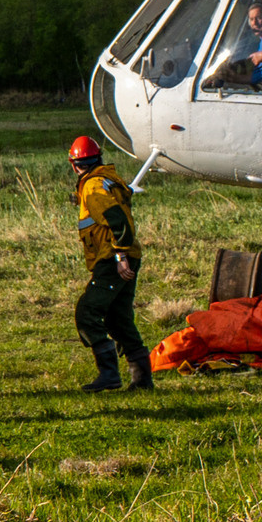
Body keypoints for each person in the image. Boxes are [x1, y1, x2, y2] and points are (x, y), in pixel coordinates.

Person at [70, 136, 152, 392]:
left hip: (114, 259)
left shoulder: (93, 187)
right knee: (118, 319)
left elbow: (118, 221)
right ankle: (142, 380)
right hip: (126, 255)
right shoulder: (107, 180)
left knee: (87, 313)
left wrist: (120, 256)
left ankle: (109, 374)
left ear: (74, 164)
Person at [203, 2, 262, 93]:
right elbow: (256, 77)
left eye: (259, 18)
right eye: (251, 19)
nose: (254, 23)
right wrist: (230, 77)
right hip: (259, 87)